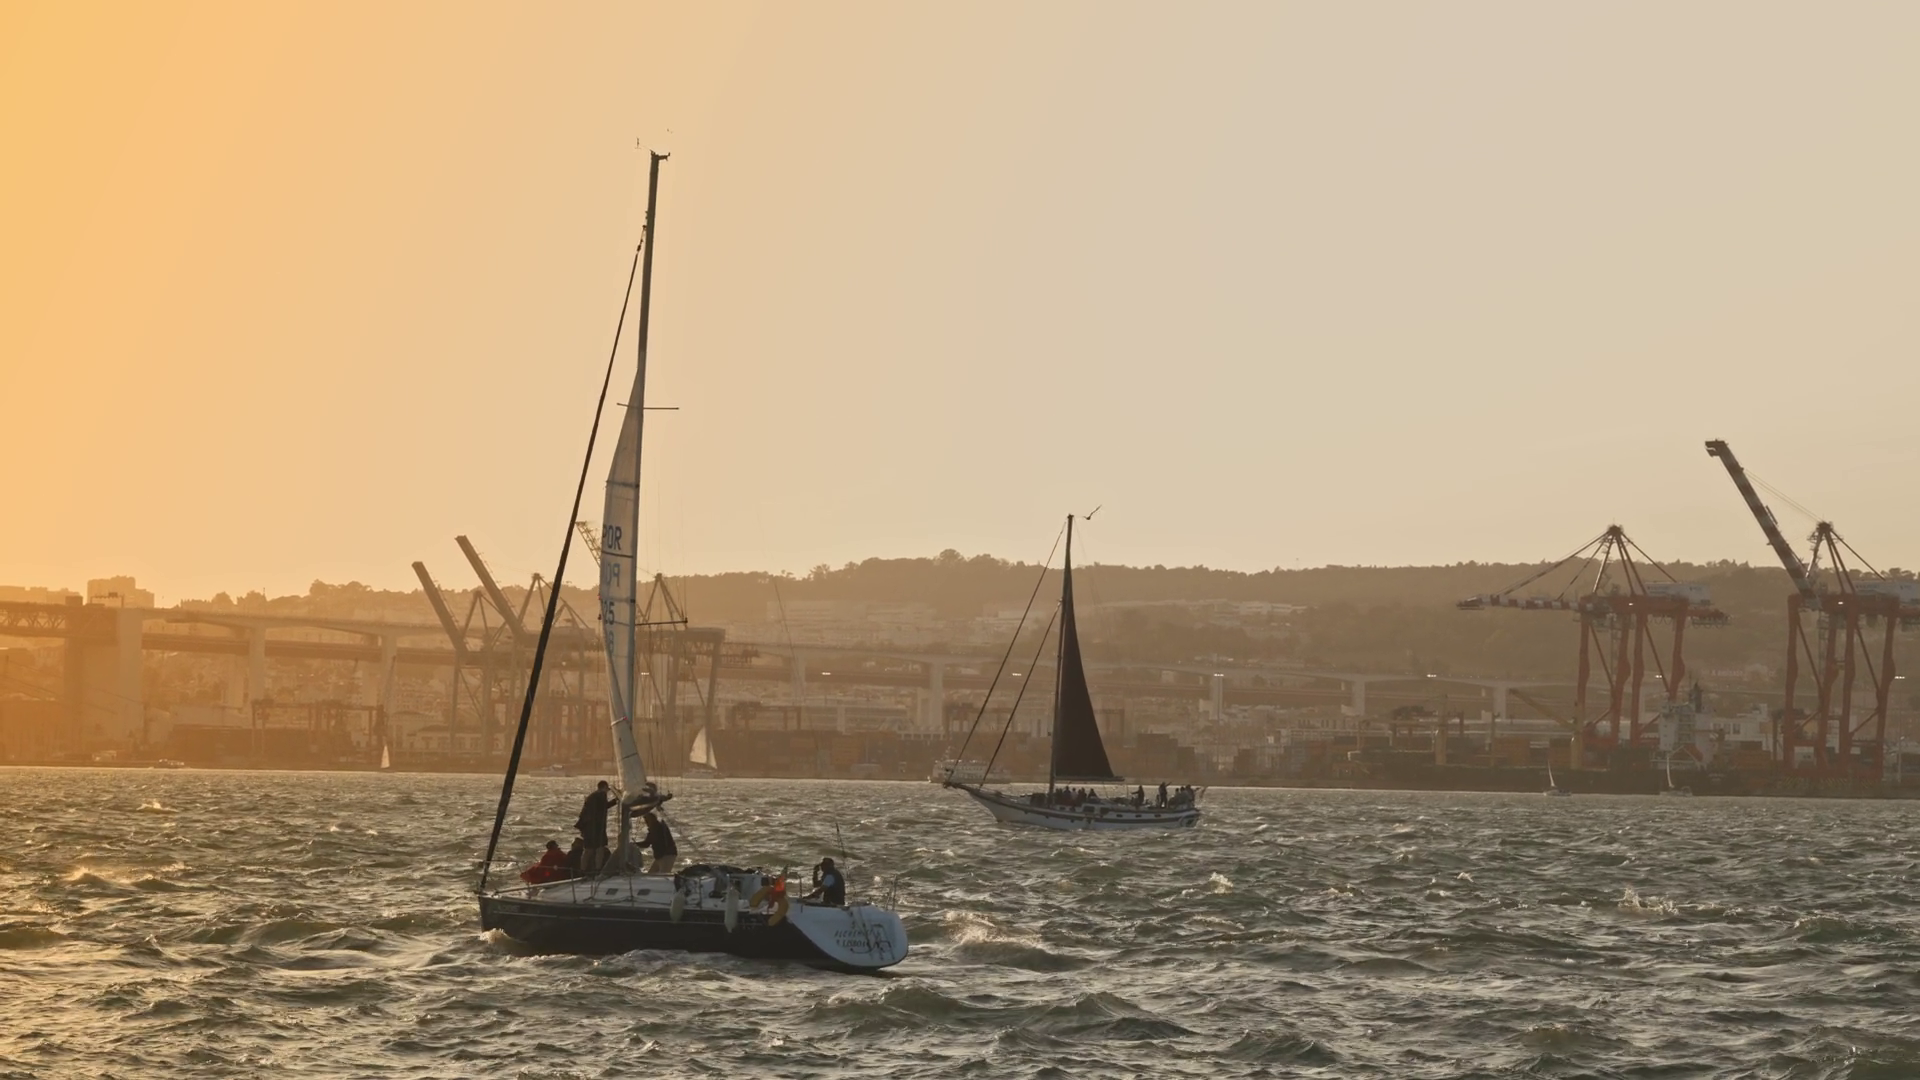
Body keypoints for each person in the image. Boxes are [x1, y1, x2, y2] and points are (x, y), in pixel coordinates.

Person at [575, 781, 617, 871]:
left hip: (587, 827)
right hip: (597, 827)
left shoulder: (592, 796)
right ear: (604, 787)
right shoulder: (601, 794)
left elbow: (601, 807)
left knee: (588, 849)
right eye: (607, 789)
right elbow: (604, 806)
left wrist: (615, 801)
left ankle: (582, 870)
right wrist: (616, 800)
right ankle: (598, 869)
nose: (607, 791)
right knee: (600, 848)